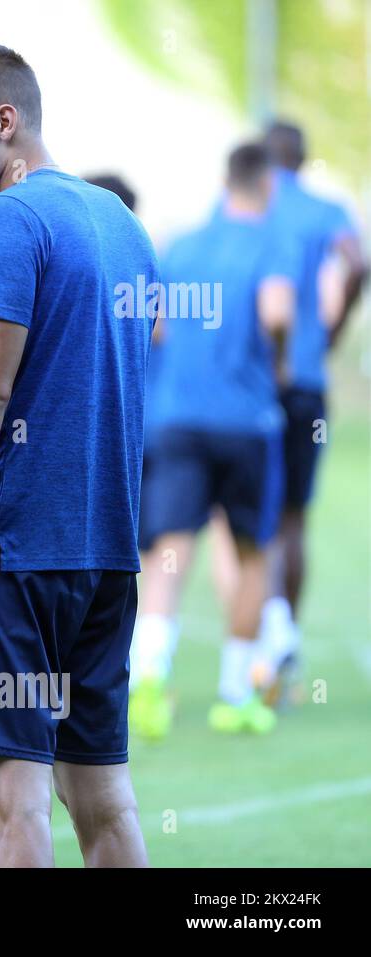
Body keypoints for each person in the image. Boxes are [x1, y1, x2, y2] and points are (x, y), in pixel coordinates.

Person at [0, 44, 157, 867]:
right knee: (105, 803)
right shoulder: (120, 219)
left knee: (10, 807)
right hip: (105, 554)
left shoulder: (6, 219)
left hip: (13, 557)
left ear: (4, 122)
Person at [131, 143, 298, 738]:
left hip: (177, 417)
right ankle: (236, 693)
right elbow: (277, 313)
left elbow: (153, 326)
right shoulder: (270, 244)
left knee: (169, 551)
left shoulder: (181, 244)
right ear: (266, 186)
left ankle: (148, 681)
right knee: (253, 551)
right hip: (247, 420)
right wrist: (276, 363)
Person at [252, 121, 367, 702]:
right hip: (305, 382)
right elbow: (359, 260)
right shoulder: (325, 209)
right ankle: (284, 641)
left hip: (250, 382)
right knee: (293, 516)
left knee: (244, 523)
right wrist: (330, 328)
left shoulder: (249, 204)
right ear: (304, 158)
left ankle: (252, 648)